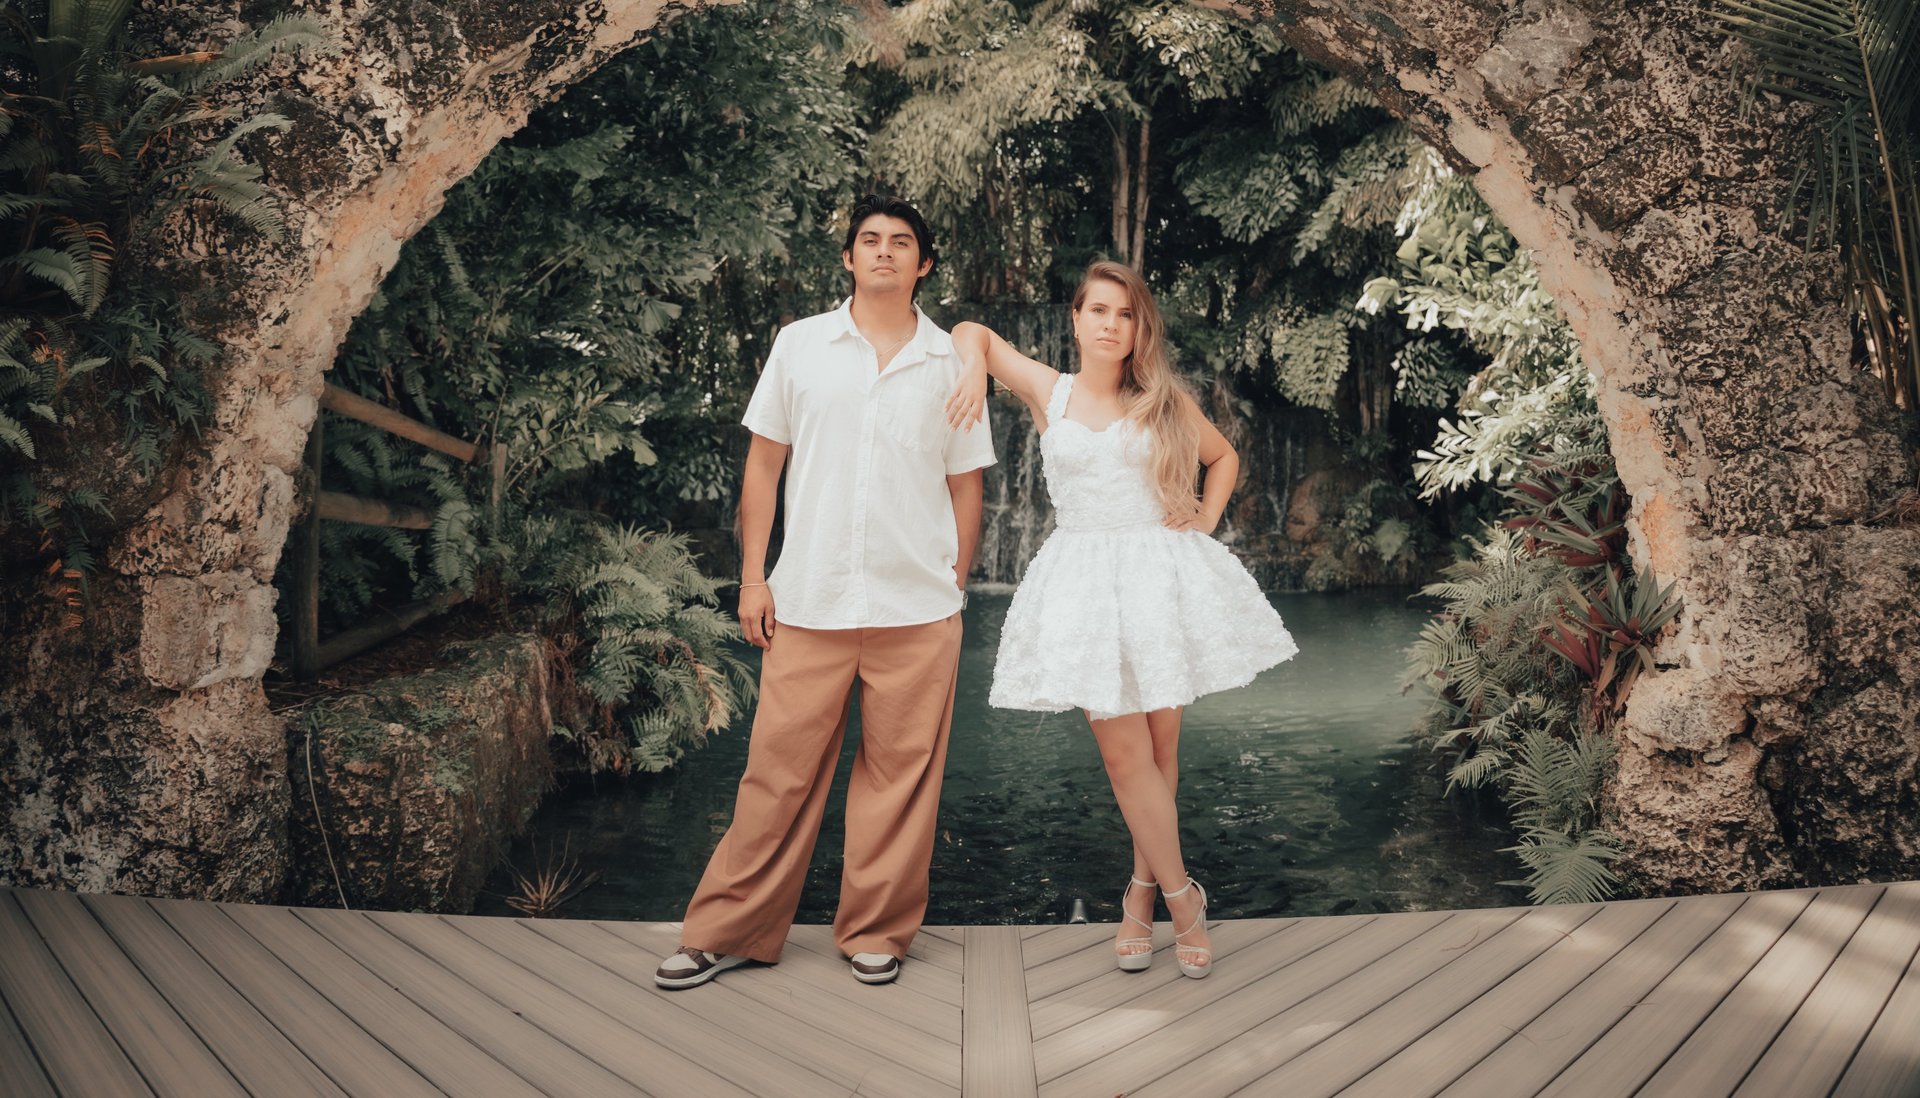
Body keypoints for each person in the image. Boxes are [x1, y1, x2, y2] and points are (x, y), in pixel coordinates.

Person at [655, 195, 994, 989]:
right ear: (848, 258)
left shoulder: (952, 361)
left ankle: (876, 931)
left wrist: (957, 582)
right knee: (776, 773)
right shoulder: (799, 345)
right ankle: (727, 930)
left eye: (900, 242)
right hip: (808, 599)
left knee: (900, 780)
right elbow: (763, 466)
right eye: (869, 241)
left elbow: (967, 486)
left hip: (918, 611)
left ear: (925, 263)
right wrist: (752, 578)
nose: (883, 252)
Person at [944, 260, 1296, 978]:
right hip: (1081, 582)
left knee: (1162, 754)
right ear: (1075, 320)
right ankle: (1184, 898)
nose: (1110, 324)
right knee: (1122, 754)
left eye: (1125, 314)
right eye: (1098, 310)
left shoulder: (1160, 399)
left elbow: (1222, 457)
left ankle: (1139, 896)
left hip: (1158, 577)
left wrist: (1203, 517)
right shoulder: (1051, 391)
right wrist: (968, 372)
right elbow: (970, 329)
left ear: (1139, 328)